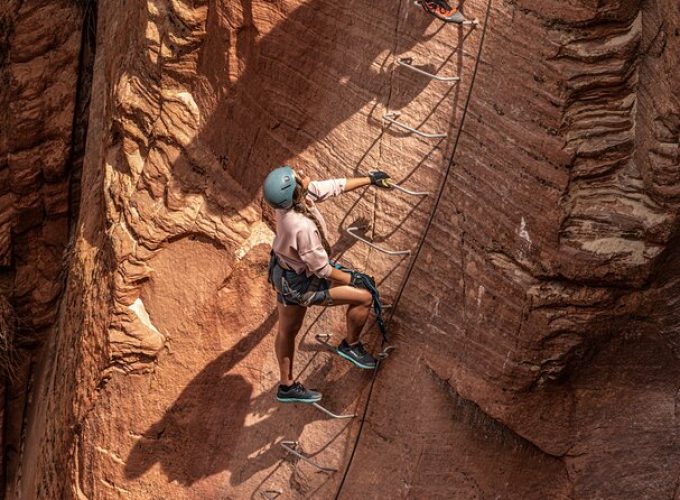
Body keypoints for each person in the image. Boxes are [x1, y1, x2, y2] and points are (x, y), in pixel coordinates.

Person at [264, 166, 392, 404]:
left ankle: (286, 386)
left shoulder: (293, 202)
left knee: (287, 330)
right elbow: (321, 269)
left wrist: (369, 179)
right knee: (363, 297)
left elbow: (333, 187)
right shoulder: (302, 227)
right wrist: (353, 278)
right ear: (295, 192)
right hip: (300, 283)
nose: (302, 174)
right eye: (298, 177)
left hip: (284, 272)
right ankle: (350, 345)